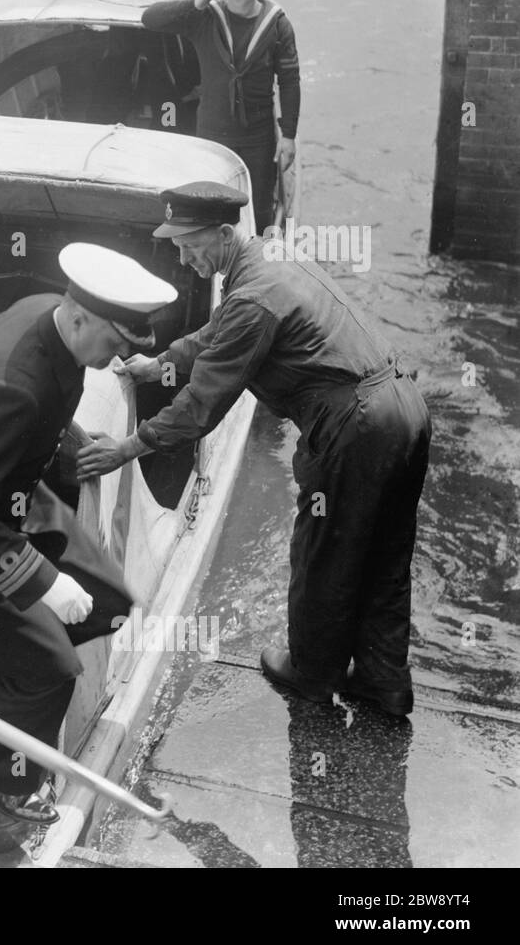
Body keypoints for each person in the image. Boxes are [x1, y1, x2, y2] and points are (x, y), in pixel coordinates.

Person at [76, 182, 431, 718]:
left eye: (190, 245)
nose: (184, 258)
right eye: (176, 246)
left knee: (323, 550)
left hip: (355, 426)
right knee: (386, 554)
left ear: (223, 233)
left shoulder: (251, 298)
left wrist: (129, 446)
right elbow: (217, 336)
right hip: (404, 409)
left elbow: (203, 405)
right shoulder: (267, 256)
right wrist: (161, 363)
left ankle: (312, 674)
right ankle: (385, 681)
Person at [0, 243, 174, 824]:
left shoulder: (41, 309)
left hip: (2, 496)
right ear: (80, 316)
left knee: (109, 603)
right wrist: (44, 583)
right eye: (114, 343)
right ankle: (5, 783)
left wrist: (52, 432)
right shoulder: (14, 389)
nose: (117, 356)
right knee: (51, 671)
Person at [142, 0, 301, 233]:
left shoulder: (277, 24)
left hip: (258, 134)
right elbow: (150, 19)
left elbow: (289, 80)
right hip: (213, 132)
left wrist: (288, 135)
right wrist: (197, 0)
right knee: (209, 207)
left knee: (258, 208)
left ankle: (256, 262)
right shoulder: (204, 18)